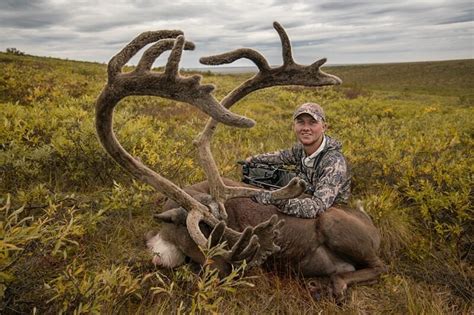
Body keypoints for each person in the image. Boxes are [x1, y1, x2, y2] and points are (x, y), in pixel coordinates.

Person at [246, 102, 350, 219]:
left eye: (312, 123)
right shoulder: (300, 149)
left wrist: (278, 200)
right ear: (294, 126)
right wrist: (253, 159)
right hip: (306, 192)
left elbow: (317, 206)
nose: (306, 128)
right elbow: (281, 156)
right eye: (301, 122)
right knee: (256, 172)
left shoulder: (334, 163)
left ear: (324, 127)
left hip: (331, 213)